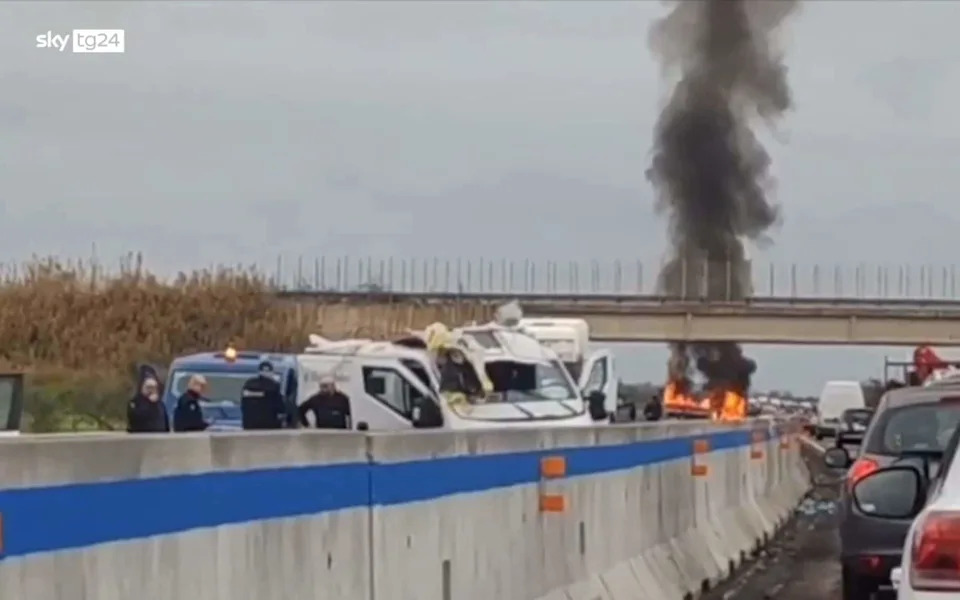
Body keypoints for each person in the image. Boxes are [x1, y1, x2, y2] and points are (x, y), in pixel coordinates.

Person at [240, 361, 287, 430]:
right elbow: (280, 407)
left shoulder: (249, 384)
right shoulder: (273, 386)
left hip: (249, 425)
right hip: (268, 426)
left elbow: (243, 405)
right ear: (271, 372)